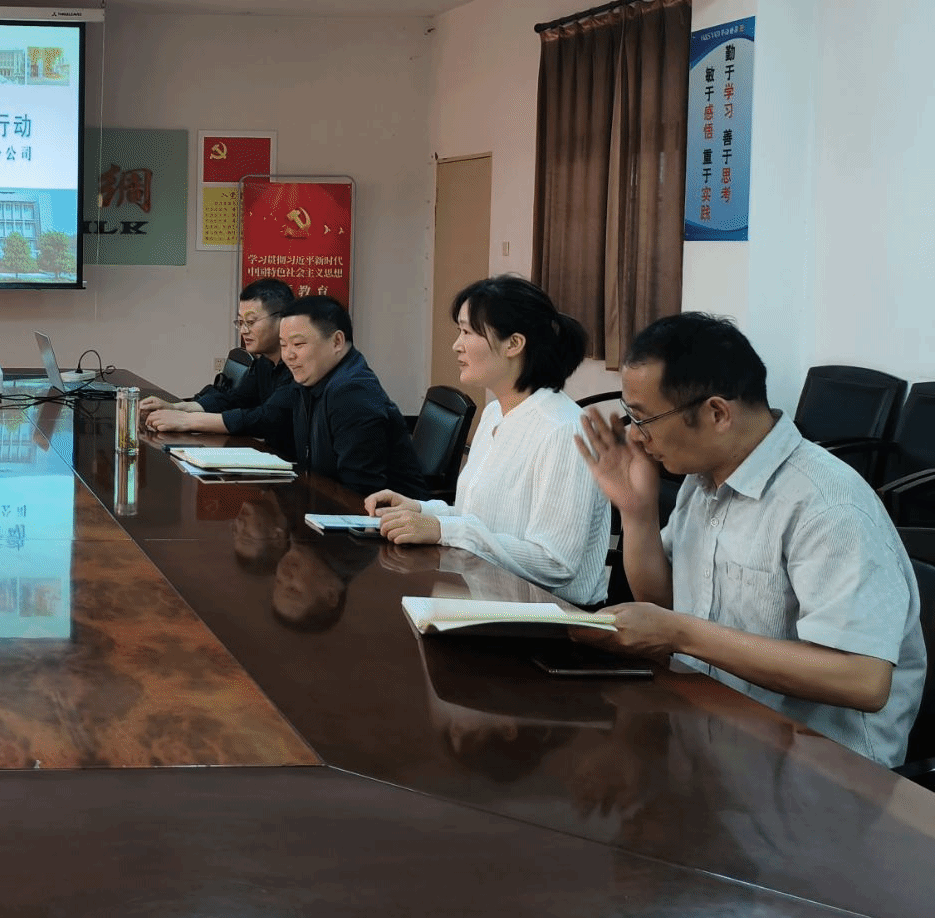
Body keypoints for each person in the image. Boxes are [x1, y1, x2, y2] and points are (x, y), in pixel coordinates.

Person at [574, 312, 925, 768]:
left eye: (645, 419)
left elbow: (863, 679)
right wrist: (637, 512)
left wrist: (681, 634)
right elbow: (663, 602)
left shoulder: (827, 504)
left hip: (822, 770)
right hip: (720, 732)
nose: (637, 437)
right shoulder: (702, 481)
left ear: (717, 413)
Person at [366, 276, 611, 607]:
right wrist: (420, 509)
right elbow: (481, 521)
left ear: (514, 344)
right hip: (489, 598)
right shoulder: (495, 412)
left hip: (553, 619)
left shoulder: (563, 431)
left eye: (468, 332)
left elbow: (554, 564)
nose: (457, 345)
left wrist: (442, 529)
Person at [277, 296, 429, 498]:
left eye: (298, 344)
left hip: (383, 514)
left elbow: (360, 491)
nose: (288, 355)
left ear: (337, 341)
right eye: (283, 345)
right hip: (328, 502)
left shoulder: (352, 392)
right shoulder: (311, 380)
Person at [139, 278, 295, 421]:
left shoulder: (296, 367)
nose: (243, 331)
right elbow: (232, 400)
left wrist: (188, 421)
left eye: (251, 322)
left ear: (282, 319)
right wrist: (175, 407)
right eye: (240, 322)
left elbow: (266, 417)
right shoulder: (264, 363)